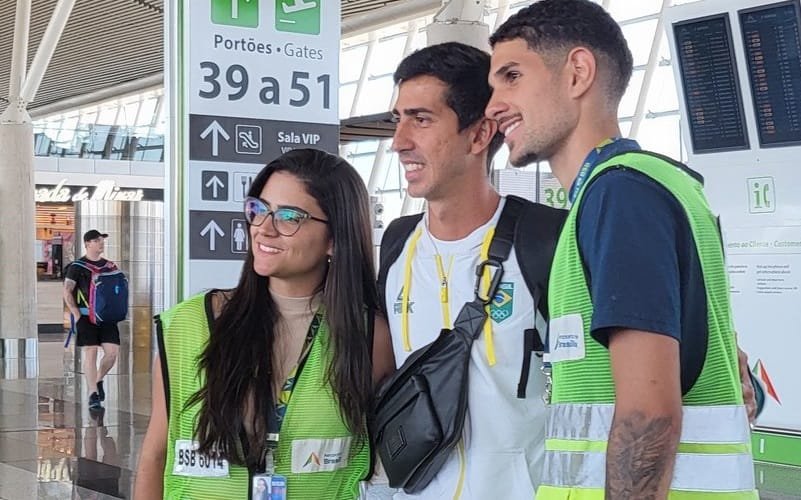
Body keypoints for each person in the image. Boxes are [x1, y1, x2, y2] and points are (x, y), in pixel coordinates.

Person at [487, 1, 757, 498]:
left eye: (511, 76)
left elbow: (648, 413)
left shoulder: (620, 194)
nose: (493, 104)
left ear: (578, 73)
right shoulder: (653, 186)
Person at [133, 149, 395, 499]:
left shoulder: (368, 337)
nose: (263, 229)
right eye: (259, 210)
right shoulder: (189, 324)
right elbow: (156, 452)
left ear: (335, 238)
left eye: (289, 217)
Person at [376, 42, 551, 499]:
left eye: (422, 118)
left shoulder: (546, 239)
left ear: (478, 135)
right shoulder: (396, 246)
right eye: (399, 119)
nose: (399, 142)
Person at [64, 230, 121, 410]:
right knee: (91, 353)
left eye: (102, 240)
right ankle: (92, 393)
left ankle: (98, 380)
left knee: (112, 353)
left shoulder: (110, 266)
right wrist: (76, 313)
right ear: (87, 244)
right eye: (97, 240)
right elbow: (67, 290)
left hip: (107, 317)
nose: (101, 243)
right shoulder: (78, 266)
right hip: (85, 315)